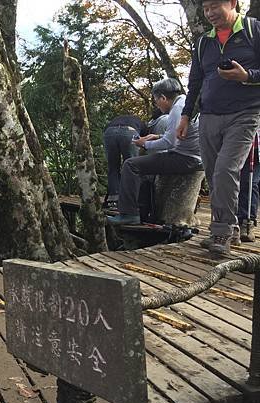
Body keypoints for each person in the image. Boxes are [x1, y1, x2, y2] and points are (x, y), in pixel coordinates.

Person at [177, 0, 260, 256]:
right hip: (209, 115)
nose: (210, 13)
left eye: (215, 6)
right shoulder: (203, 42)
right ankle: (229, 227)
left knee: (226, 169)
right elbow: (195, 81)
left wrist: (247, 77)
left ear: (233, 3)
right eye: (205, 8)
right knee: (214, 173)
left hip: (245, 113)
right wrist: (185, 115)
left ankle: (221, 233)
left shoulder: (253, 31)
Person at [107, 79, 202, 225]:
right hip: (192, 155)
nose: (156, 104)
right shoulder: (184, 102)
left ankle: (129, 214)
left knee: (130, 165)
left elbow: (169, 143)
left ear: (163, 97)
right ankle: (144, 210)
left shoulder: (177, 110)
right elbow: (178, 135)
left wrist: (144, 144)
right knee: (144, 168)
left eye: (156, 100)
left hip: (185, 158)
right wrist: (157, 136)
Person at [102, 114, 148, 208]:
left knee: (113, 167)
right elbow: (145, 142)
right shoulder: (141, 123)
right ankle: (131, 200)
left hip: (109, 132)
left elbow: (106, 128)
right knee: (132, 167)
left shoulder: (116, 119)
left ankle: (113, 200)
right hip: (130, 132)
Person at [236, 133, 260, 242]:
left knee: (249, 183)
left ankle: (247, 222)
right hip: (237, 141)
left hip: (255, 146)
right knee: (232, 183)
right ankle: (228, 221)